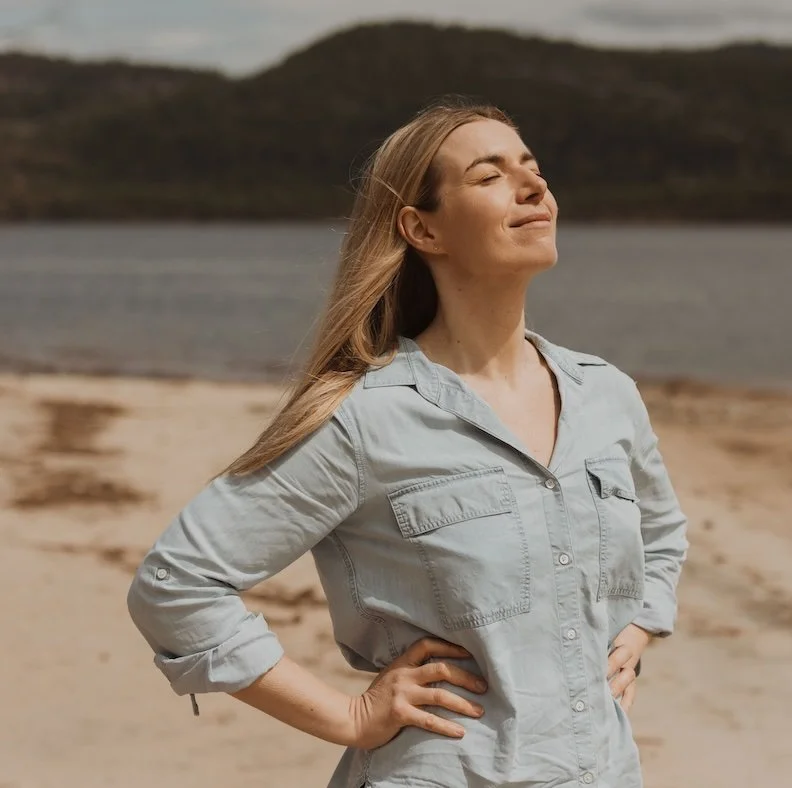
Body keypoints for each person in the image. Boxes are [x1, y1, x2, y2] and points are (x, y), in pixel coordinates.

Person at [127, 97, 689, 788]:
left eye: (532, 168)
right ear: (422, 228)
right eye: (489, 176)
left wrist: (636, 632)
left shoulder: (607, 396)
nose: (534, 186)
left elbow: (662, 532)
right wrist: (349, 716)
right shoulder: (363, 416)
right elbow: (175, 584)